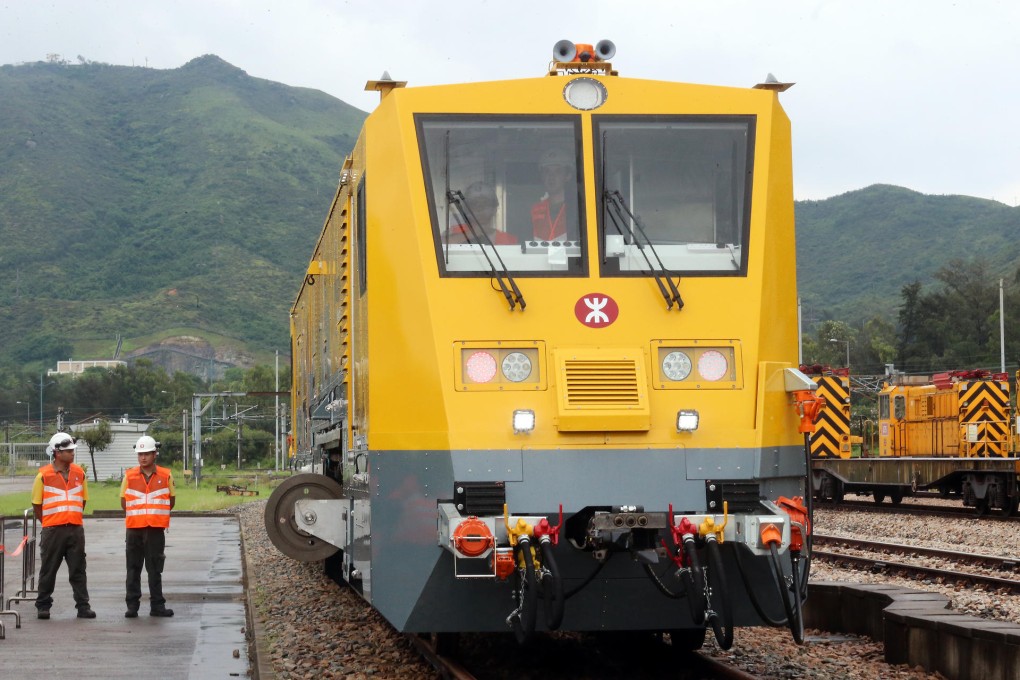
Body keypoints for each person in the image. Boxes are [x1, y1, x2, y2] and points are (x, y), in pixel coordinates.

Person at [32, 432, 95, 619]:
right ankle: (43, 606)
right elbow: (37, 505)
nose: (72, 453)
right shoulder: (43, 476)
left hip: (75, 529)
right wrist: (49, 523)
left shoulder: (79, 474)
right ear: (57, 453)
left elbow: (82, 501)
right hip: (53, 530)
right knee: (48, 569)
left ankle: (83, 606)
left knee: (78, 569)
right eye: (68, 450)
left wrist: (71, 518)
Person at [120, 435, 176, 618]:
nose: (143, 457)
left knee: (155, 569)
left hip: (155, 530)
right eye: (140, 454)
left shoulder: (166, 475)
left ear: (155, 454)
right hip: (134, 529)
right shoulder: (129, 476)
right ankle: (132, 606)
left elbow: (171, 501)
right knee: (133, 569)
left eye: (146, 454)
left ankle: (157, 606)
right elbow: (124, 502)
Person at [447, 182, 518, 245]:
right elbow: (439, 247)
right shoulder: (453, 232)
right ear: (466, 209)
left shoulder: (509, 240)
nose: (480, 208)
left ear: (494, 209)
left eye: (485, 203)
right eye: (474, 204)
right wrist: (469, 235)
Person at [531, 148, 577, 242]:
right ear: (542, 176)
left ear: (568, 176)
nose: (551, 176)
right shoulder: (534, 210)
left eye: (558, 171)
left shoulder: (578, 209)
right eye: (547, 171)